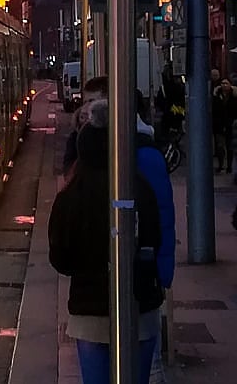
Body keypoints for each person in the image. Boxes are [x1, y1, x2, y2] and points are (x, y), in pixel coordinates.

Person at [49, 99, 164, 384]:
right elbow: (156, 241)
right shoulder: (140, 188)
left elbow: (60, 259)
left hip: (90, 312)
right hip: (140, 307)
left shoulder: (70, 197)